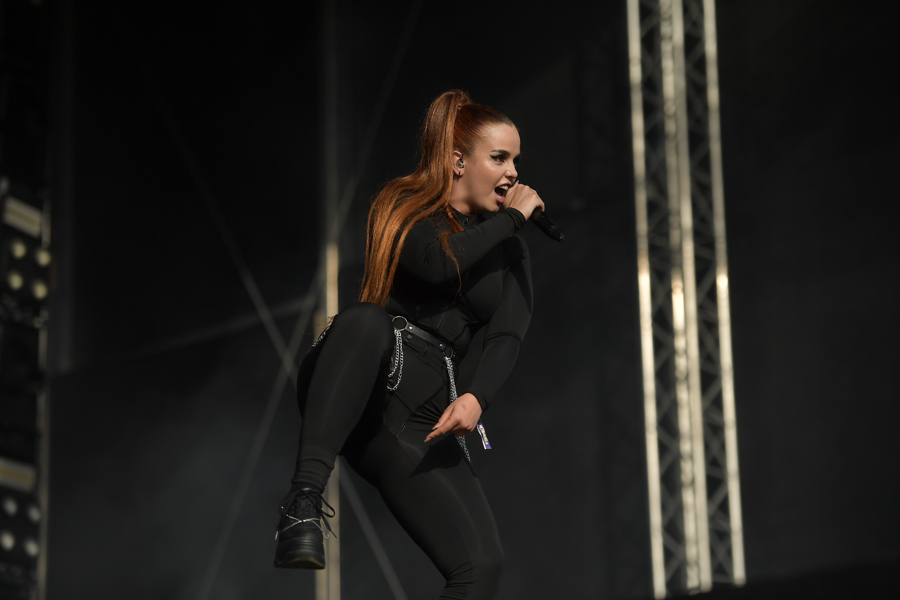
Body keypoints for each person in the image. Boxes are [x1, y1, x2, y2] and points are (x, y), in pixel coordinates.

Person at [273, 89, 544, 600]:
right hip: (365, 377)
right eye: (500, 158)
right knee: (366, 320)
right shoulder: (406, 204)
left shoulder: (510, 249)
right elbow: (438, 264)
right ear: (458, 162)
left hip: (422, 413)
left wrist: (477, 396)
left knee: (481, 564)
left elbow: (508, 334)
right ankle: (303, 503)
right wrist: (513, 219)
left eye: (516, 161)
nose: (513, 173)